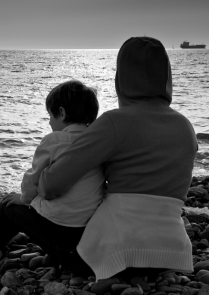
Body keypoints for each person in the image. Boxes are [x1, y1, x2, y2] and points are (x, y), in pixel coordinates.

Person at [37, 37, 198, 280]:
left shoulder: (115, 122)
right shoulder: (185, 127)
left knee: (10, 207)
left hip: (115, 254)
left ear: (121, 78)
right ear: (167, 76)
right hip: (169, 254)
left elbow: (52, 185)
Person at [0, 80, 105, 273]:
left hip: (61, 238)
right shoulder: (98, 143)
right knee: (27, 206)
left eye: (50, 116)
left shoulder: (54, 141)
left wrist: (24, 199)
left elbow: (32, 181)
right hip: (85, 233)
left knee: (8, 205)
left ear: (61, 113)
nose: (50, 122)